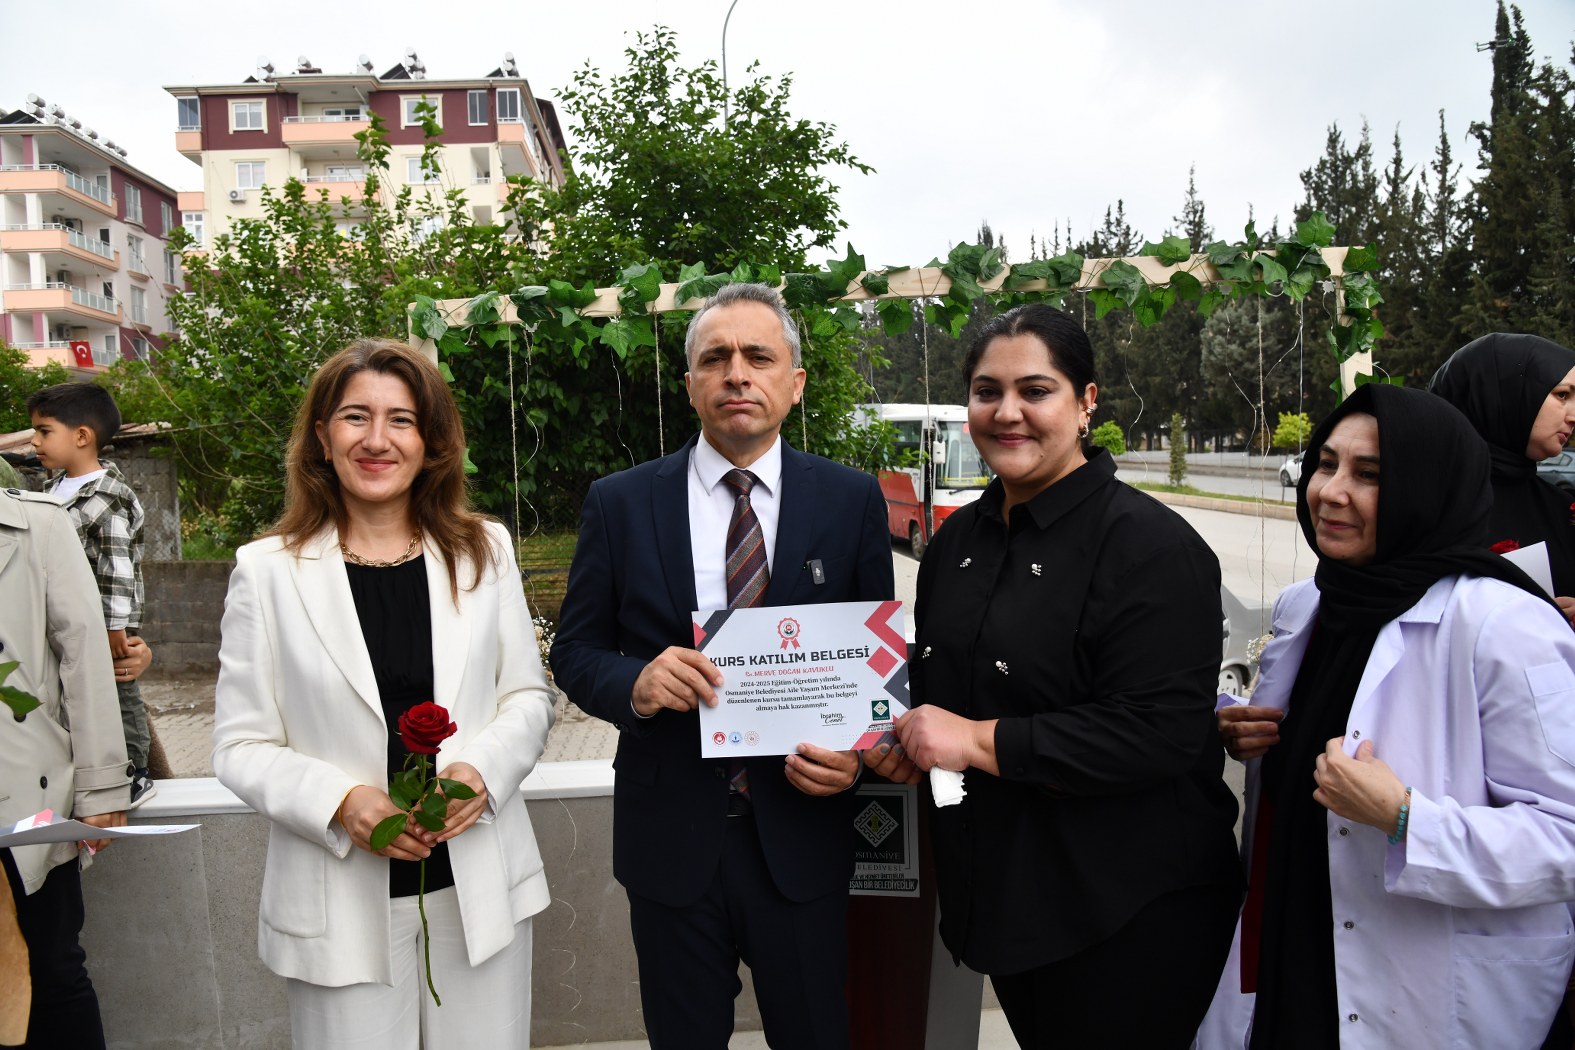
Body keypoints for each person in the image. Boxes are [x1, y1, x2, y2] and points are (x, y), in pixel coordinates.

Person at [868, 303, 1241, 1048]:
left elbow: (1158, 734)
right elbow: (945, 697)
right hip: (1002, 901)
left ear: (1085, 402)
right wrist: (906, 746)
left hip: (1125, 913)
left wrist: (973, 741)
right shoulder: (955, 544)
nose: (1006, 413)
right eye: (985, 391)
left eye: (1034, 390)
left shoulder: (1150, 548)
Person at [550, 282, 894, 1050]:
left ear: (793, 383)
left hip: (803, 837)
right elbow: (572, 653)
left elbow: (877, 666)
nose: (737, 373)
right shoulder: (621, 502)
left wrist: (860, 755)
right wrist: (633, 685)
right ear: (690, 385)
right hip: (671, 838)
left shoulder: (849, 500)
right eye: (716, 358)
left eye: (758, 356)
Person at [1206, 383, 1575, 1049]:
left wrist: (1408, 818)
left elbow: (1565, 840)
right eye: (1324, 463)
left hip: (1418, 991)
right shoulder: (1306, 604)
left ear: (1429, 488)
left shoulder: (1503, 626)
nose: (1329, 491)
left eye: (1369, 475)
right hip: (1290, 950)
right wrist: (1243, 734)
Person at [212, 339, 555, 1050]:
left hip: (476, 893)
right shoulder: (267, 572)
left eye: (401, 420)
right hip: (340, 903)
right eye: (354, 417)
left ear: (431, 441)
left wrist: (481, 775)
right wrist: (340, 801)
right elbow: (240, 746)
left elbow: (527, 696)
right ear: (321, 436)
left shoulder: (484, 551)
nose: (376, 440)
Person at [0, 484, 133, 1049]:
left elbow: (84, 655)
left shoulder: (37, 524)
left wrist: (102, 789)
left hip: (25, 793)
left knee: (53, 966)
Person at [27, 382, 155, 806]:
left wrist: (116, 627)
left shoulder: (108, 496)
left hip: (104, 622)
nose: (34, 441)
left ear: (81, 436)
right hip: (67, 621)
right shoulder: (50, 492)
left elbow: (118, 565)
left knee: (117, 693)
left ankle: (135, 769)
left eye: (44, 431)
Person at [1429, 331, 1575, 622]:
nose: (1573, 414)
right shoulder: (1420, 501)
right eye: (1562, 395)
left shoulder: (1562, 508)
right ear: (1501, 392)